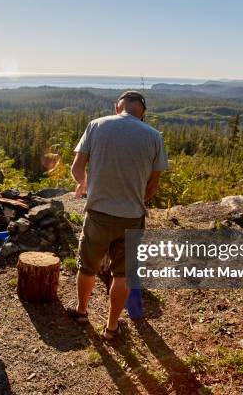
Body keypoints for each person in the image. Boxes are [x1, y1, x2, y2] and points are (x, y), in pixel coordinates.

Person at [67, 90, 168, 340]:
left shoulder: (96, 125)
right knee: (122, 274)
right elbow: (153, 187)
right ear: (142, 113)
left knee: (88, 267)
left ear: (117, 107)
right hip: (132, 217)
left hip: (98, 213)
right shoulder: (154, 137)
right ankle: (112, 327)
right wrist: (134, 200)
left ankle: (81, 312)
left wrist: (86, 185)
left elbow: (76, 168)